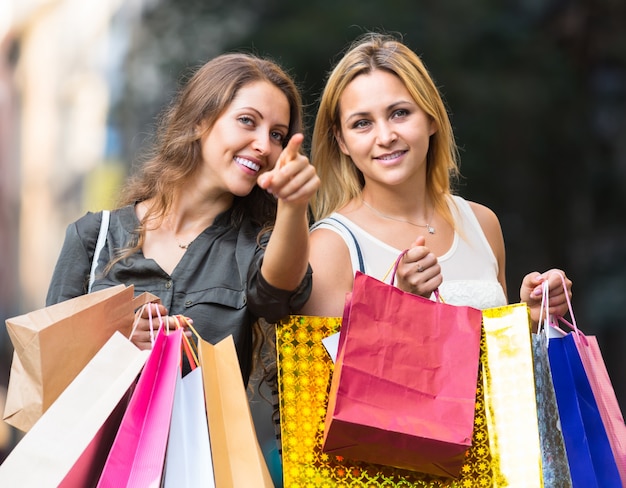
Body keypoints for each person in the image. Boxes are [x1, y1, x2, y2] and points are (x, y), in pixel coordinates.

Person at [46, 52, 320, 384]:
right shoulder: (93, 237)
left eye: (277, 134)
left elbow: (278, 294)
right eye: (248, 121)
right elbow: (48, 371)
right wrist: (118, 350)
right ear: (199, 121)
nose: (264, 145)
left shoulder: (254, 247)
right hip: (108, 436)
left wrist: (293, 205)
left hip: (205, 438)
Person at [300, 32, 572, 325]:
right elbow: (327, 371)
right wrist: (397, 301)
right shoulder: (329, 246)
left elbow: (494, 365)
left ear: (431, 118)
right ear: (342, 141)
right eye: (362, 123)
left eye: (399, 113)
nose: (386, 136)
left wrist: (531, 320)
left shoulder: (482, 224)